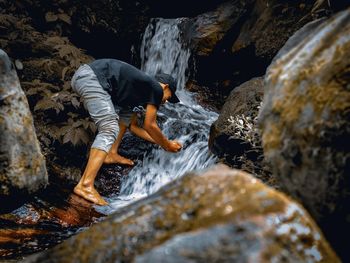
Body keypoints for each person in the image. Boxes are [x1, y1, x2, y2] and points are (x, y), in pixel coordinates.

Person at [70, 59, 182, 206]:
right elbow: (150, 125)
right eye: (169, 96)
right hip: (90, 77)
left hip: (87, 76)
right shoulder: (156, 89)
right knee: (109, 127)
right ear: (165, 87)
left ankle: (111, 153)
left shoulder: (137, 92)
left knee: (123, 118)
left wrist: (162, 142)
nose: (166, 101)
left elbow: (132, 126)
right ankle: (85, 185)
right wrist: (167, 145)